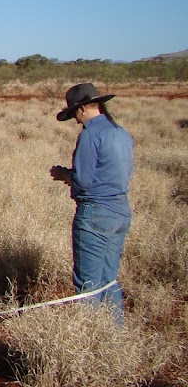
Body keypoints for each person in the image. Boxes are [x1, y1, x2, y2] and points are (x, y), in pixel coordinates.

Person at [49, 83, 133, 325]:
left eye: (75, 113)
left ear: (84, 108)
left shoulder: (89, 134)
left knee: (87, 283)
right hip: (120, 212)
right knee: (108, 279)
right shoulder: (120, 133)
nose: (76, 120)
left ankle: (90, 339)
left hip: (95, 213)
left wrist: (64, 175)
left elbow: (84, 181)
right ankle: (114, 336)